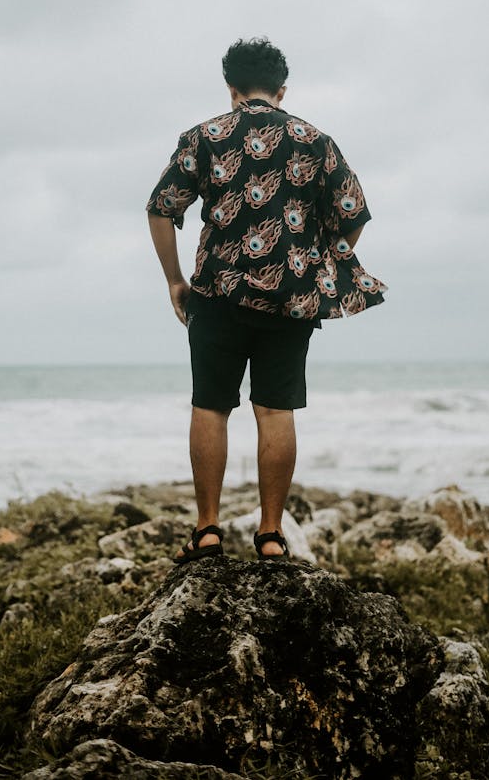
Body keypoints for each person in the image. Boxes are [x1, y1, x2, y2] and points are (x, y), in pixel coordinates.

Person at [146, 37, 386, 562]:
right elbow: (353, 214)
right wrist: (319, 264)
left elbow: (161, 208)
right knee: (275, 411)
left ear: (231, 89)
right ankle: (272, 535)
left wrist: (174, 280)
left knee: (210, 406)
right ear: (281, 90)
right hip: (290, 297)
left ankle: (207, 530)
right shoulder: (314, 140)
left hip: (215, 293)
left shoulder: (204, 136)